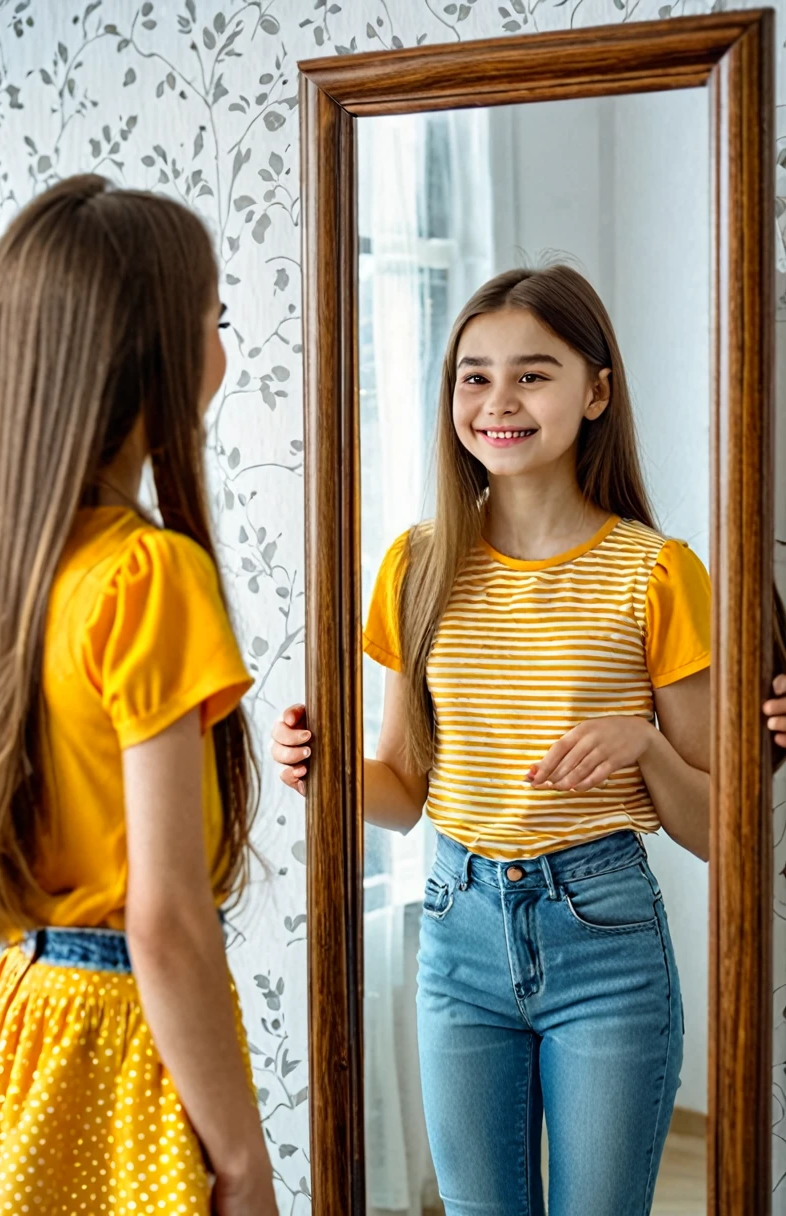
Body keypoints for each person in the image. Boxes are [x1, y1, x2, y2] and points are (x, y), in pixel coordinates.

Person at [274, 264, 715, 1215]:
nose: (497, 401)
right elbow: (404, 787)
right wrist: (328, 776)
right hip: (457, 925)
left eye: (533, 373)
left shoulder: (658, 574)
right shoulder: (418, 565)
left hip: (603, 932)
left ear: (596, 391)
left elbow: (721, 827)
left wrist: (643, 742)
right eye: (473, 375)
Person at [0, 175, 278, 1216]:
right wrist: (243, 1159)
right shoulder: (148, 576)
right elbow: (168, 920)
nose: (221, 341)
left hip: (23, 1018)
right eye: (212, 316)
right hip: (123, 1038)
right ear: (151, 351)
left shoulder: (1, 574)